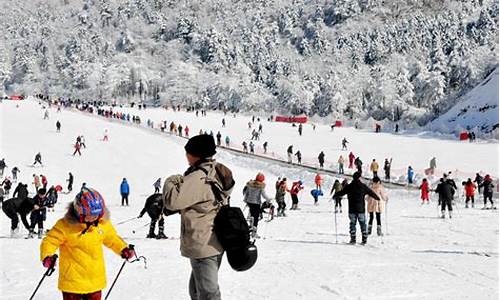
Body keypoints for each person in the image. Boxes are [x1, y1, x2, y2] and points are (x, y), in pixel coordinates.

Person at [164, 134, 235, 300]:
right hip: (216, 239)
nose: (186, 156)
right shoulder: (218, 169)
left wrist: (171, 180)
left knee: (207, 293)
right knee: (197, 291)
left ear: (196, 154)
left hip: (204, 242)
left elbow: (172, 202)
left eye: (188, 152)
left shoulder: (199, 177)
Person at [40, 187, 134, 300]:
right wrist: (47, 257)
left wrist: (123, 249)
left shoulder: (102, 224)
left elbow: (112, 239)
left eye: (97, 214)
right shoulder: (65, 226)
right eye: (91, 215)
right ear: (79, 211)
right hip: (72, 281)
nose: (94, 218)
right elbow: (50, 241)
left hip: (95, 279)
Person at [334, 172, 380, 244]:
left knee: (352, 223)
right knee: (362, 224)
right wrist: (377, 198)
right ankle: (364, 239)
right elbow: (371, 193)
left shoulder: (349, 186)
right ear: (359, 178)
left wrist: (335, 195)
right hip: (361, 209)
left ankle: (353, 239)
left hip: (352, 209)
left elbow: (341, 192)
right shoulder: (363, 186)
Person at [243, 173, 272, 238]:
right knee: (256, 218)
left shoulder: (250, 184)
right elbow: (264, 195)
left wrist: (245, 200)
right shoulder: (260, 186)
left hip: (249, 202)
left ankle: (250, 225)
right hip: (256, 203)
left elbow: (246, 193)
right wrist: (269, 199)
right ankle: (254, 232)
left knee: (252, 214)